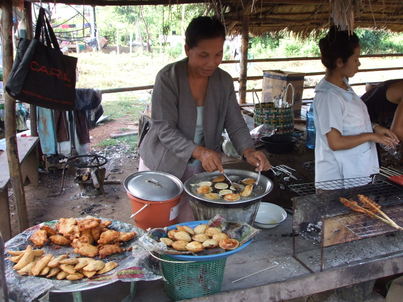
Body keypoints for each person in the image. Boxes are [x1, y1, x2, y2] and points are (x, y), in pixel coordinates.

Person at [139, 16, 271, 220]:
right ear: (187, 50)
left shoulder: (223, 81)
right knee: (163, 226)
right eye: (203, 55)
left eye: (218, 54)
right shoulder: (168, 78)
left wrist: (248, 150)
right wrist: (200, 152)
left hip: (202, 167)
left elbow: (235, 123)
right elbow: (164, 129)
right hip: (164, 164)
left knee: (197, 225)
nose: (212, 63)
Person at [313, 26, 399, 188]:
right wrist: (372, 136)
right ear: (340, 62)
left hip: (355, 171)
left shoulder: (343, 86)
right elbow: (335, 142)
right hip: (337, 181)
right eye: (355, 59)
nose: (358, 63)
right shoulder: (328, 96)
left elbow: (350, 122)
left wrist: (375, 128)